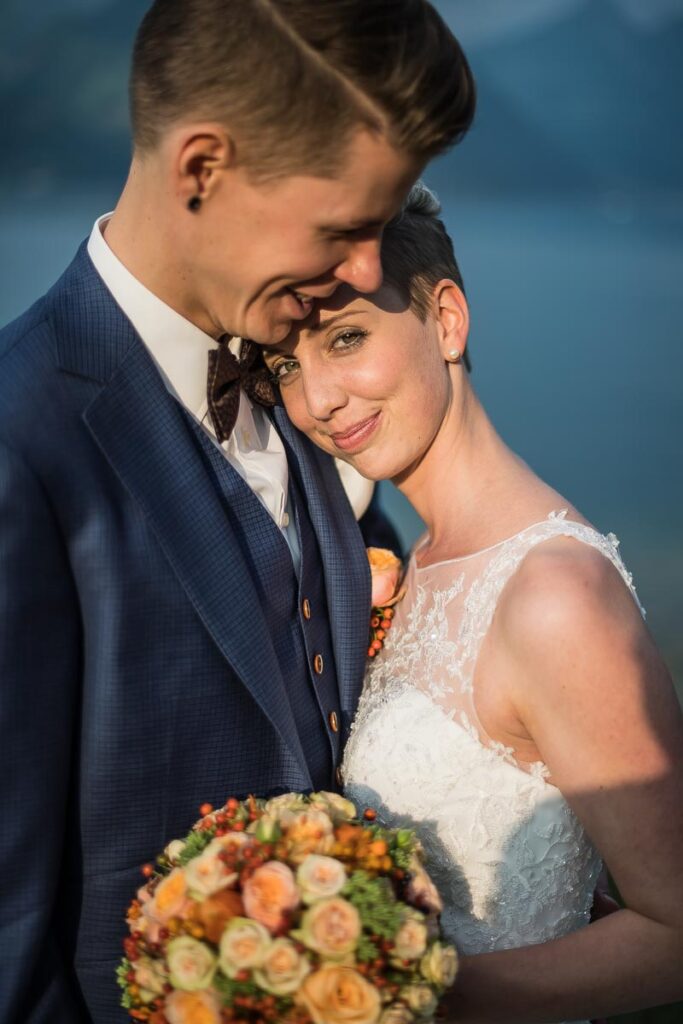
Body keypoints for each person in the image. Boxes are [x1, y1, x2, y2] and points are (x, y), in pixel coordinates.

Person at [0, 3, 475, 1020]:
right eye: (341, 228)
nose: (359, 271)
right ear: (202, 168)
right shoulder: (20, 442)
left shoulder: (304, 387)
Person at [263, 181, 683, 1022]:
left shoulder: (554, 594)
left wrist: (400, 999)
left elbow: (673, 928)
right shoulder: (403, 560)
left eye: (346, 339)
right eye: (286, 365)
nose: (316, 401)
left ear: (446, 320)